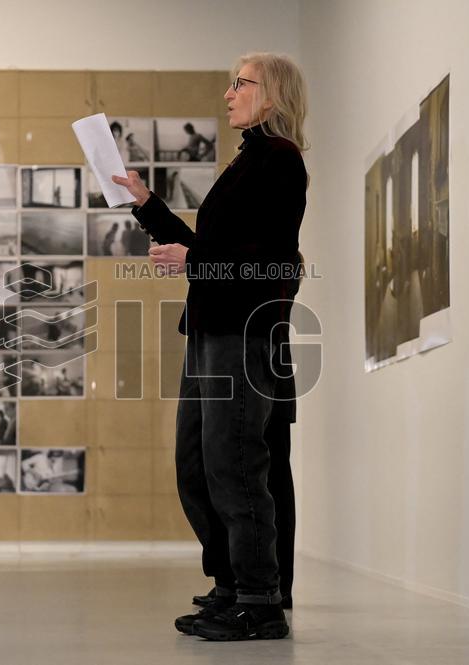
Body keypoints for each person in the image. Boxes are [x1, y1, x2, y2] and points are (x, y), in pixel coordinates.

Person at [113, 52, 308, 642]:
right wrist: (148, 207)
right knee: (196, 466)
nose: (228, 94)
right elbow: (211, 249)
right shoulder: (245, 162)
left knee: (236, 465)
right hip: (210, 329)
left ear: (270, 95)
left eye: (240, 84)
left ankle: (259, 600)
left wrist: (194, 260)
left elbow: (273, 260)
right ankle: (229, 583)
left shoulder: (280, 160)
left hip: (244, 333)